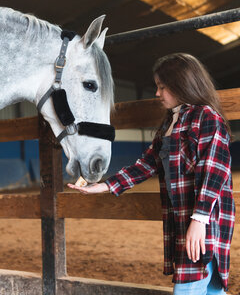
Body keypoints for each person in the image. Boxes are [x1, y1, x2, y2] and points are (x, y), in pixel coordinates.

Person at [68, 53, 235, 295]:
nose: (157, 94)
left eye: (162, 87)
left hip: (204, 220)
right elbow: (147, 163)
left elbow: (215, 171)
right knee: (209, 289)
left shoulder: (206, 117)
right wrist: (103, 186)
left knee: (189, 285)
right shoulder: (171, 122)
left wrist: (199, 220)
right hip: (183, 219)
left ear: (182, 85)